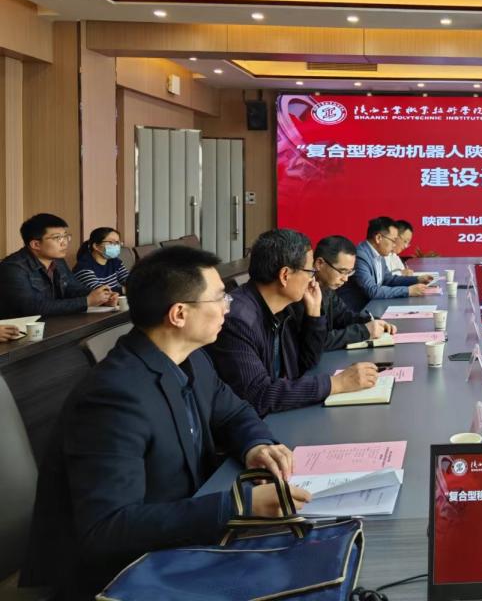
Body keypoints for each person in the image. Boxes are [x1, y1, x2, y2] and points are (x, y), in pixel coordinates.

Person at [20, 246, 311, 599]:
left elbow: (234, 412)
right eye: (220, 298)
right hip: (126, 576)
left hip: (184, 538)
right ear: (179, 314)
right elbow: (107, 529)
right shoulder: (113, 397)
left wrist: (257, 446)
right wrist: (238, 505)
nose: (228, 307)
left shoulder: (192, 359)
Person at [207, 228, 379, 416]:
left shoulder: (283, 308)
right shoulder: (238, 320)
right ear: (285, 275)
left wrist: (314, 314)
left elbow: (307, 362)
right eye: (310, 271)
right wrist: (336, 384)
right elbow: (259, 394)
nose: (313, 279)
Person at [0, 213, 116, 318]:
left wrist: (102, 298)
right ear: (36, 244)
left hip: (55, 323)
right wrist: (86, 301)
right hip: (22, 331)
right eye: (57, 238)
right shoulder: (13, 268)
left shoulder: (58, 261)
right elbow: (31, 308)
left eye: (65, 236)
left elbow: (74, 289)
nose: (64, 242)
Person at [297, 234, 397, 349]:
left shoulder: (327, 289)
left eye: (349, 272)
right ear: (319, 263)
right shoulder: (300, 294)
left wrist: (372, 321)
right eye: (342, 271)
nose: (345, 279)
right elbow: (317, 341)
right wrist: (364, 331)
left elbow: (344, 316)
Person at [338, 216, 433, 311]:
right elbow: (372, 291)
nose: (394, 245)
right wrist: (408, 291)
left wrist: (417, 279)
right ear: (378, 238)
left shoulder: (379, 254)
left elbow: (389, 280)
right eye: (393, 240)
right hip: (354, 312)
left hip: (373, 307)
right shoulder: (361, 256)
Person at [73, 227, 131, 294]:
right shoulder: (83, 267)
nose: (116, 246)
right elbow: (100, 292)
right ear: (96, 246)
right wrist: (125, 289)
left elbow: (130, 281)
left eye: (117, 242)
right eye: (111, 242)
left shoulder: (115, 262)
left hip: (114, 300)